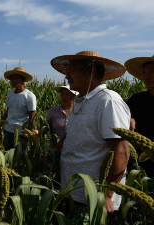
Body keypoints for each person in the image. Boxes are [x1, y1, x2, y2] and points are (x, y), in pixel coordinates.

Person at [51, 50, 130, 214]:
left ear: (92, 71)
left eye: (71, 71)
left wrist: (106, 195)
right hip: (73, 191)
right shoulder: (80, 101)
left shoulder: (108, 101)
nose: (67, 76)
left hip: (94, 197)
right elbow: (73, 135)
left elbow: (121, 152)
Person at [124, 56, 154, 178]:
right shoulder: (136, 100)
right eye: (144, 72)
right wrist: (128, 120)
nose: (147, 76)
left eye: (152, 71)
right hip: (139, 168)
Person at [1, 67, 36, 150]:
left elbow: (32, 118)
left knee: (20, 159)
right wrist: (0, 125)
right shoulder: (10, 94)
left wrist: (27, 135)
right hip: (7, 130)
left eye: (16, 78)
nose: (13, 81)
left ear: (23, 80)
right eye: (12, 78)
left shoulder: (29, 96)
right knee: (7, 156)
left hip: (21, 132)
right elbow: (8, 111)